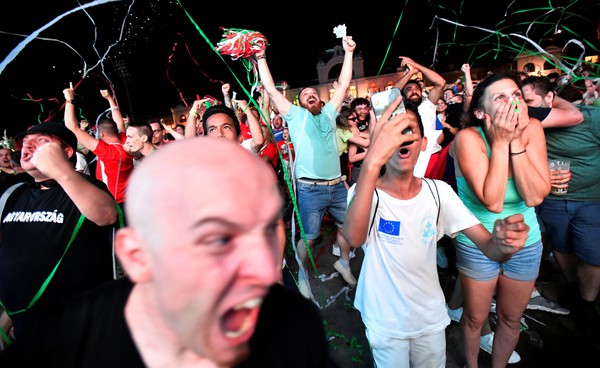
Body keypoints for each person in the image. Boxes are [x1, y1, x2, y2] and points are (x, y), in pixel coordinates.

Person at [0, 137, 332, 367]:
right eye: (217, 240)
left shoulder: (291, 320)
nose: (261, 267)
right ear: (138, 257)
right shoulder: (68, 346)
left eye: (267, 230)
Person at [341, 97, 529, 367]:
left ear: (423, 144)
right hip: (385, 320)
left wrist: (504, 243)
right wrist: (370, 163)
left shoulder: (437, 192)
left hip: (429, 317)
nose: (401, 140)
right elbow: (355, 238)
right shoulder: (364, 193)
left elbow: (489, 247)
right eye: (392, 133)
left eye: (409, 131)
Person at [450, 72, 551, 367]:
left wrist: (517, 141)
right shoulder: (468, 138)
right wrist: (501, 143)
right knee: (474, 317)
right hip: (479, 241)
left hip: (527, 241)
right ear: (481, 112)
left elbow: (534, 197)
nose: (514, 102)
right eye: (501, 97)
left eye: (517, 94)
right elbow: (492, 201)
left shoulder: (532, 129)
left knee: (511, 317)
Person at [255, 35, 358, 299]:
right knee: (309, 238)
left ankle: (343, 262)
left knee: (350, 228)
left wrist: (348, 53)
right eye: (305, 95)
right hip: (310, 190)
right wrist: (261, 58)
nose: (310, 95)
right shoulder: (295, 116)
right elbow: (269, 87)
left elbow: (345, 84)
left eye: (313, 93)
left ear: (320, 100)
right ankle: (302, 273)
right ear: (300, 103)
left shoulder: (329, 113)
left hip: (337, 186)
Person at [0, 121, 118, 347]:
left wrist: (61, 171)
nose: (28, 146)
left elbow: (106, 215)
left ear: (67, 152)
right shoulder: (13, 193)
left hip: (77, 328)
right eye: (25, 143)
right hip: (23, 324)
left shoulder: (85, 187)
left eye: (41, 141)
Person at [521, 75, 600, 339]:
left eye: (529, 101)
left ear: (549, 98)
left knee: (592, 256)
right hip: (552, 201)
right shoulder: (528, 125)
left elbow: (575, 116)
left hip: (590, 199)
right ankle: (572, 287)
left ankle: (586, 304)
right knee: (563, 247)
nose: (525, 107)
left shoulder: (589, 118)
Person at [64, 86, 134, 209]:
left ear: (101, 134)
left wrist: (70, 100)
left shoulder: (106, 151)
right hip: (130, 198)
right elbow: (120, 123)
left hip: (115, 202)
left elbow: (72, 127)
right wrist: (109, 99)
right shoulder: (125, 141)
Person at [394, 56, 446, 178]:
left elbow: (441, 83)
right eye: (409, 89)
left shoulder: (428, 104)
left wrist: (416, 66)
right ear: (403, 94)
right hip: (412, 159)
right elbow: (392, 93)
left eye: (417, 88)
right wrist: (410, 73)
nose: (414, 91)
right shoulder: (400, 110)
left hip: (433, 156)